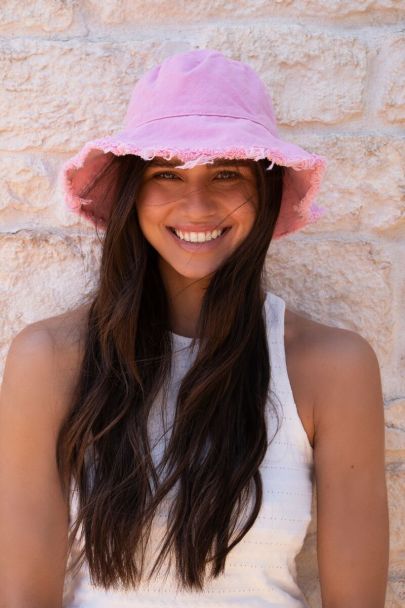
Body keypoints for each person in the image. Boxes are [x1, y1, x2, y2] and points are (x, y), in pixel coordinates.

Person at [0, 49, 389, 608]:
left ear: (266, 187)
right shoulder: (50, 360)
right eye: (167, 174)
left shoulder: (332, 367)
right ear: (133, 192)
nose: (197, 203)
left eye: (227, 173)